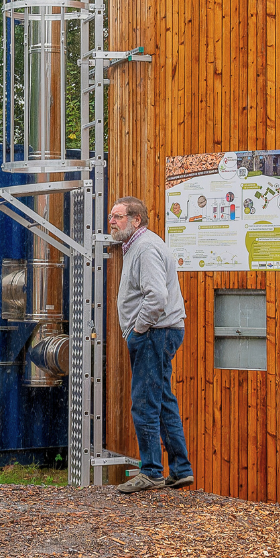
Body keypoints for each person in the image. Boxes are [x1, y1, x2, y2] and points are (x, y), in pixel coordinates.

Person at [109, 195, 194, 495]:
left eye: (118, 216)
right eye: (112, 216)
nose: (112, 221)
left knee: (144, 402)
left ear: (136, 221)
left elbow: (156, 296)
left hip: (154, 333)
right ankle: (181, 470)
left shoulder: (144, 248)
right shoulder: (137, 246)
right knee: (163, 400)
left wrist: (137, 329)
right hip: (161, 332)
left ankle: (151, 472)